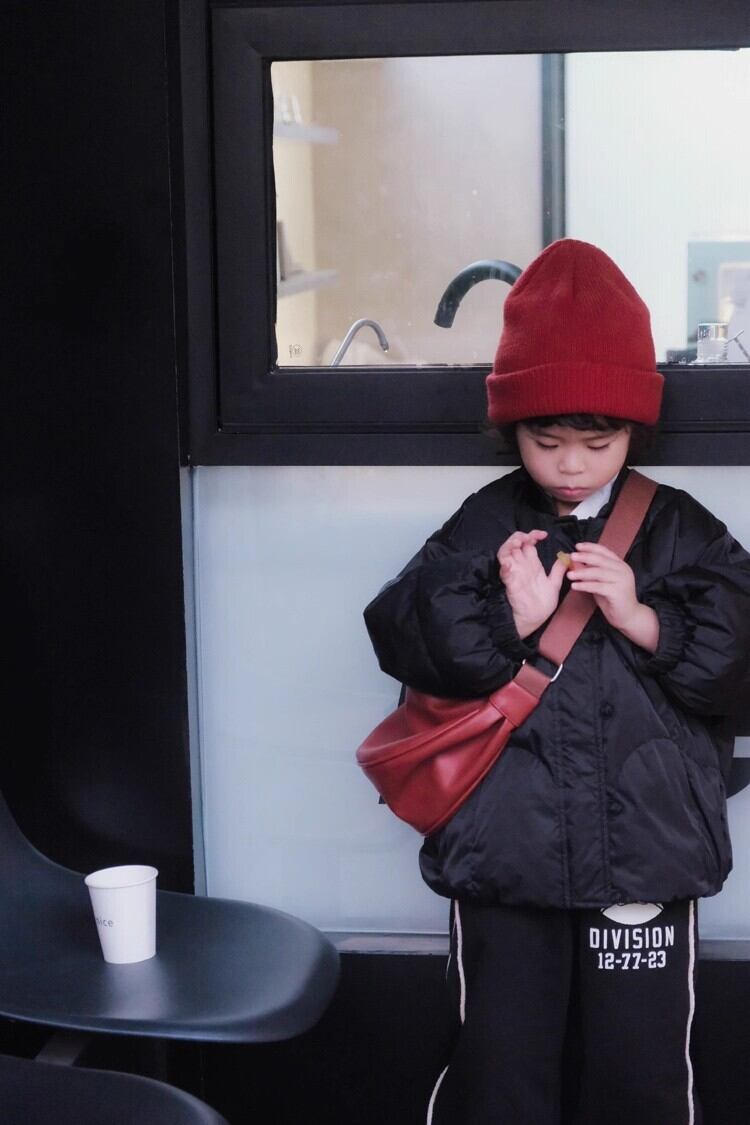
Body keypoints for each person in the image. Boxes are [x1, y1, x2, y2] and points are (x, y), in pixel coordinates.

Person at [363, 240, 750, 1125]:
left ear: (635, 430)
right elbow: (402, 630)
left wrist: (647, 619)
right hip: (508, 855)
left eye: (598, 442)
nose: (572, 464)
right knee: (498, 1068)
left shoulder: (678, 529)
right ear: (513, 431)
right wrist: (512, 619)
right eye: (547, 441)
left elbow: (741, 656)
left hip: (645, 854)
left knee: (641, 1074)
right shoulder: (487, 522)